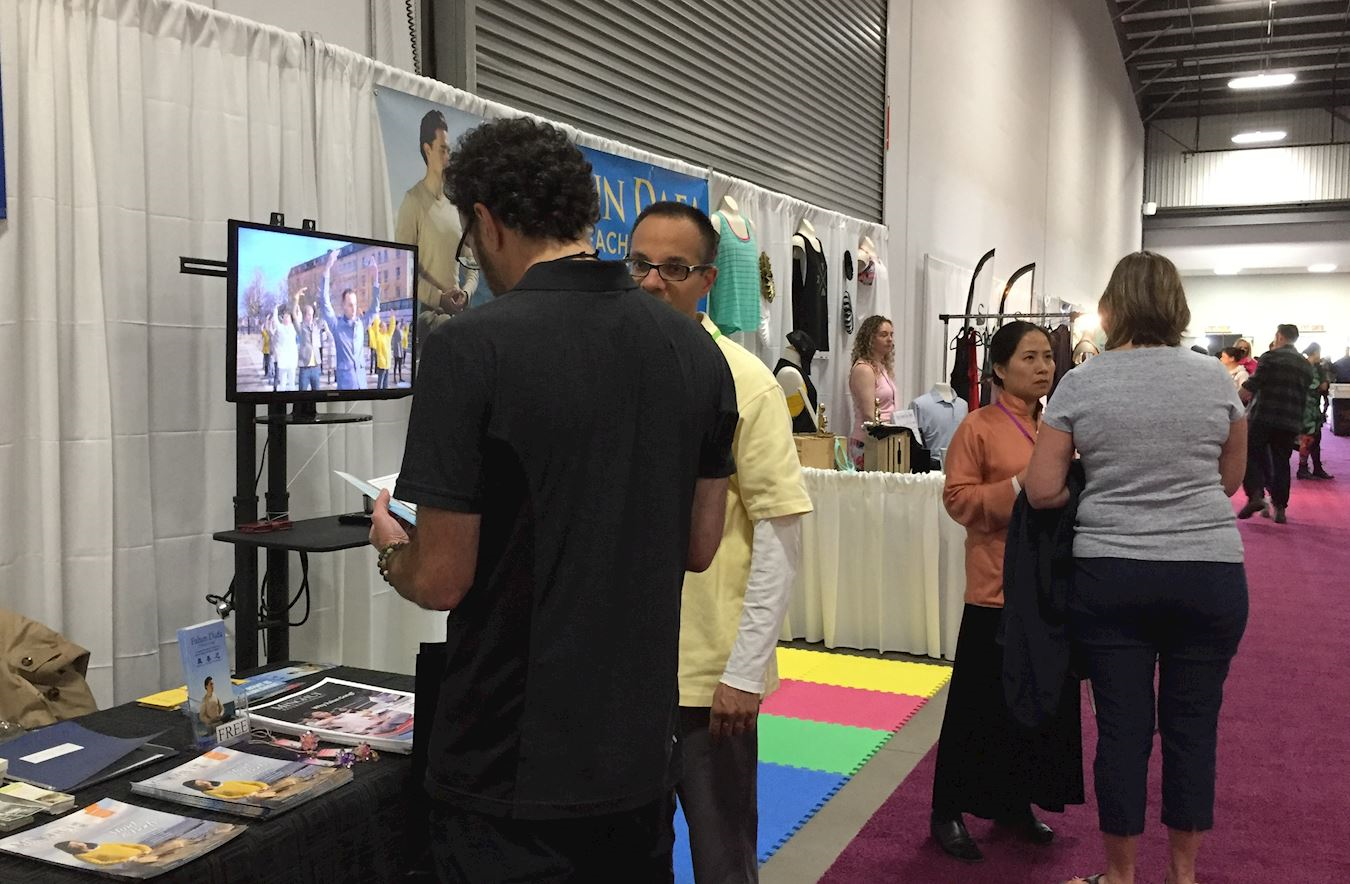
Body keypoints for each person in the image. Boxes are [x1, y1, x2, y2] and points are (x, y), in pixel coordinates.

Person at [367, 117, 738, 882]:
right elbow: (700, 545)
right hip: (637, 755)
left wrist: (391, 551)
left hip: (508, 763)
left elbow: (441, 577)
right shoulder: (697, 354)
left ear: (486, 221)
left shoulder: (469, 349)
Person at [1024, 251, 1248, 884]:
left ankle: (1120, 877)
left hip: (1112, 574)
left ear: (1111, 307)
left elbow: (1042, 490)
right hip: (1208, 572)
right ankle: (1182, 876)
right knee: (1193, 730)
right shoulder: (1216, 380)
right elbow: (1230, 480)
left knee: (1122, 733)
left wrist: (1103, 488)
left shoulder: (1081, 383)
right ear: (1177, 306)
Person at [629, 202, 813, 883]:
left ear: (707, 280)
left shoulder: (745, 382)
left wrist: (743, 672)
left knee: (723, 858)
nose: (653, 281)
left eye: (674, 268)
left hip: (708, 677)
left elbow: (780, 530)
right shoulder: (610, 370)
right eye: (640, 264)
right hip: (621, 671)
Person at [930, 320, 1078, 864]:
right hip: (994, 589)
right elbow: (958, 500)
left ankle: (1015, 803)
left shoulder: (1056, 426)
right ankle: (946, 810)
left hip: (1047, 588)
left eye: (1047, 357)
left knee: (1033, 704)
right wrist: (1018, 487)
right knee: (976, 707)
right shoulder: (979, 427)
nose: (1043, 367)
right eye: (1029, 358)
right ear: (998, 367)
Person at [395, 110, 481, 335]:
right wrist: (438, 298)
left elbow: (472, 266)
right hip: (427, 316)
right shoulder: (413, 202)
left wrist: (466, 293)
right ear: (427, 149)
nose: (447, 156)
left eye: (448, 150)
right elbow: (404, 271)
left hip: (456, 316)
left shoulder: (455, 206)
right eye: (442, 149)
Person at [1237, 324, 1315, 524]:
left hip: (1263, 417)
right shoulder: (1305, 365)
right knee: (1281, 462)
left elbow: (1252, 385)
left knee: (1252, 455)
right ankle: (1280, 507)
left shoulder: (1270, 357)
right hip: (1290, 421)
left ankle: (1256, 494)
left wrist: (1234, 401)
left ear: (1279, 336)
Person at [318, 251, 381, 390]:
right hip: (345, 387)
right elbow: (324, 301)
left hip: (362, 385)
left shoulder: (361, 324)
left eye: (355, 304)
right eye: (350, 305)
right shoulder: (336, 325)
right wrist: (327, 268)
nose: (354, 308)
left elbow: (375, 308)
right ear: (343, 306)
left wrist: (376, 278)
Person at [848, 315, 897, 467]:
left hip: (884, 438)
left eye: (891, 334)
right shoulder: (864, 369)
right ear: (870, 339)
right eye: (883, 335)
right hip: (868, 442)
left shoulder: (881, 367)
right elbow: (869, 414)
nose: (889, 339)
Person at [1297, 343, 1334, 480]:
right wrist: (1323, 383)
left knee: (1316, 438)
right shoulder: (1307, 368)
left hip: (1314, 408)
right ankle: (1302, 468)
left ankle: (1317, 467)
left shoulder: (1316, 367)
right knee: (1308, 438)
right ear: (1315, 352)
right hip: (1307, 408)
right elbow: (1318, 386)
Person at [294, 295, 323, 392]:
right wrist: (296, 300)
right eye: (309, 315)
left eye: (312, 315)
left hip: (315, 367)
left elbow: (323, 315)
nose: (311, 317)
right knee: (302, 395)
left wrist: (318, 304)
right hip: (305, 367)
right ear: (305, 315)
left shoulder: (316, 326)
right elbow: (294, 315)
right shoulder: (301, 327)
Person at [270, 304, 298, 391]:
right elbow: (275, 320)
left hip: (292, 359)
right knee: (282, 383)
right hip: (283, 360)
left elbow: (299, 318)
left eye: (288, 317)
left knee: (292, 383)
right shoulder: (280, 328)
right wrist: (275, 309)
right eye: (284, 317)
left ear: (290, 319)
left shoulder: (294, 328)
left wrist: (296, 305)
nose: (286, 319)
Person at [391, 314, 406, 383]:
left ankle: (400, 378)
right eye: (398, 324)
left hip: (400, 349)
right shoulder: (395, 331)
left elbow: (402, 326)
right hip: (397, 350)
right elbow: (401, 336)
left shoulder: (399, 330)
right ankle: (394, 378)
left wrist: (402, 320)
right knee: (395, 365)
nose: (399, 325)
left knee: (399, 366)